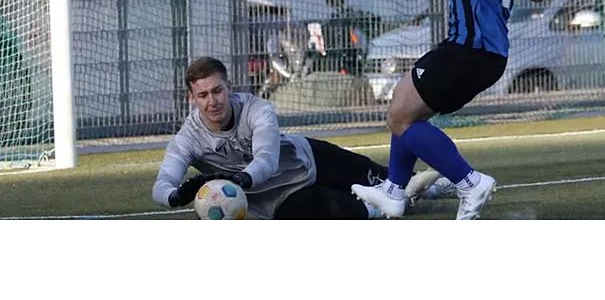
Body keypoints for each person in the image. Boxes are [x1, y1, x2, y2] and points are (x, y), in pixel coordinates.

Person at [351, 0, 546, 220]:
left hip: (466, 48)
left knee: (401, 118)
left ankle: (469, 181)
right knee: (403, 105)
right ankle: (394, 191)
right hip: (491, 54)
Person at [152, 56, 438, 219]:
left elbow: (266, 158)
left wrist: (239, 179)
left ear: (229, 87)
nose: (212, 100)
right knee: (338, 210)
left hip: (311, 160)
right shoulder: (187, 139)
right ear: (192, 99)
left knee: (392, 180)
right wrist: (176, 196)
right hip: (278, 199)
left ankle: (443, 185)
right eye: (202, 95)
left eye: (217, 91)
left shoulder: (257, 109)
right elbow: (161, 184)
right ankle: (381, 210)